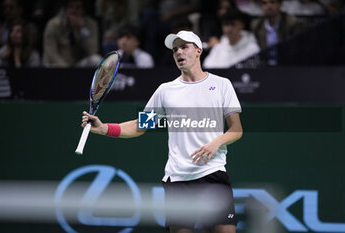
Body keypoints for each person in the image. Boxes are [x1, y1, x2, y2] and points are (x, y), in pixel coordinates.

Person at [81, 30, 243, 233]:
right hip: (178, 180)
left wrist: (216, 143)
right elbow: (140, 126)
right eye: (175, 49)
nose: (178, 53)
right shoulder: (166, 90)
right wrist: (104, 128)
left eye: (184, 47)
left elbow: (236, 130)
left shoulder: (221, 85)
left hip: (213, 174)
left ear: (199, 51)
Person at [43, 0, 101, 67]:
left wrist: (81, 29)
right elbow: (51, 53)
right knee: (49, 62)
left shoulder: (91, 24)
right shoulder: (53, 24)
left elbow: (93, 51)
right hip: (58, 65)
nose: (74, 11)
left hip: (78, 65)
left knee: (96, 59)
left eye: (78, 8)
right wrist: (66, 68)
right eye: (71, 7)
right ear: (65, 9)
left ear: (83, 10)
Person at [250, 0, 304, 65]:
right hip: (263, 65)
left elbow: (296, 49)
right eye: (264, 3)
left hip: (286, 64)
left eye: (272, 2)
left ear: (280, 4)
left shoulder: (291, 23)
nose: (269, 6)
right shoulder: (256, 25)